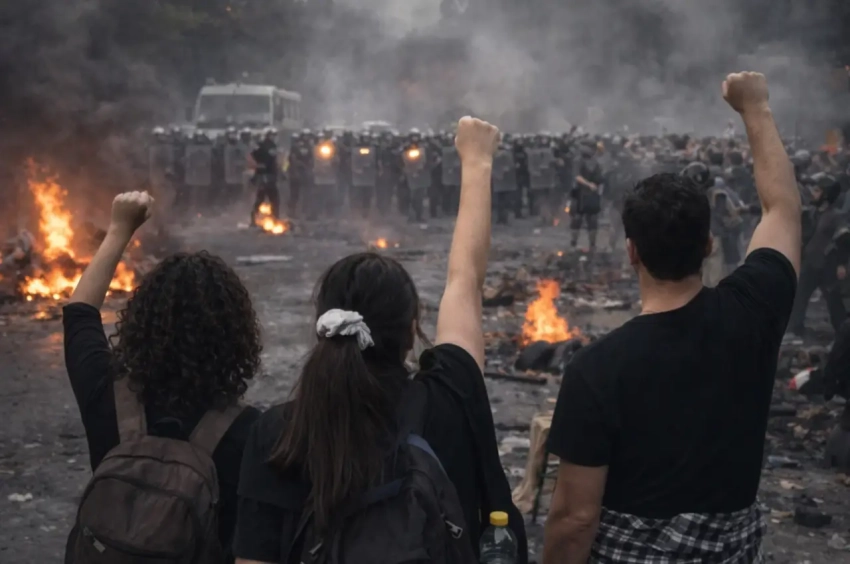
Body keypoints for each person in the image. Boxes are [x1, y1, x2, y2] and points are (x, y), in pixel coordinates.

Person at [233, 117, 528, 564]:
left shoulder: (279, 435)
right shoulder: (449, 399)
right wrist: (478, 162)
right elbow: (465, 280)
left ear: (324, 325)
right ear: (413, 329)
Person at [543, 72, 800, 564]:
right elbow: (783, 208)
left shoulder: (596, 370)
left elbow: (575, 519)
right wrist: (756, 108)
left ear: (632, 252)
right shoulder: (756, 309)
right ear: (707, 245)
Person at [63, 192, 262, 561]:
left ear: (140, 321)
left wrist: (120, 229)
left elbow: (79, 313)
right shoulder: (251, 433)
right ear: (236, 336)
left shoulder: (105, 391)